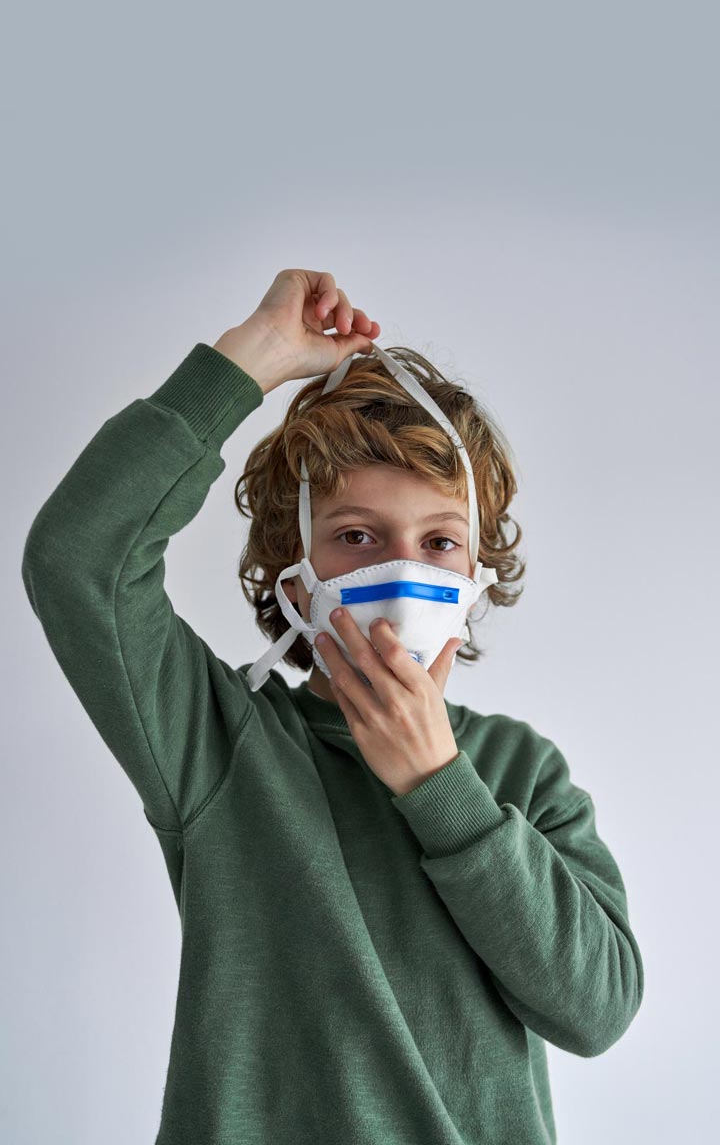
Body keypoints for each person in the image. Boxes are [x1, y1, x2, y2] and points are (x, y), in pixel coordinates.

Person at [21, 268, 644, 1144]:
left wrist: (440, 784)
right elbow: (78, 558)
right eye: (356, 536)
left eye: (440, 542)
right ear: (295, 572)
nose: (403, 571)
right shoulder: (220, 742)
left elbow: (598, 1010)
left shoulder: (522, 772)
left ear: (476, 578)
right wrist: (252, 358)